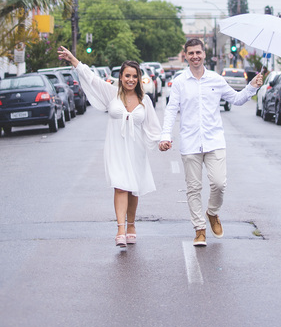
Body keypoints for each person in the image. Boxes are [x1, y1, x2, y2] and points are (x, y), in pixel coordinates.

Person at [159, 38, 264, 247]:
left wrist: (252, 87)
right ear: (186, 56)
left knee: (219, 183)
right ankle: (199, 229)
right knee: (193, 188)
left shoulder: (216, 79)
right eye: (191, 53)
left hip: (214, 141)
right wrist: (165, 136)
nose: (195, 56)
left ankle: (213, 212)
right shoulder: (180, 82)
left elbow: (236, 99)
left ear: (204, 54)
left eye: (198, 52)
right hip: (190, 143)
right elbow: (171, 110)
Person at [58, 45, 163, 248]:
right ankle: (120, 229)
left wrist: (162, 142)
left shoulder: (145, 100)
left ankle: (131, 225)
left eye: (134, 76)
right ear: (121, 77)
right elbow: (92, 79)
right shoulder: (111, 94)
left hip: (136, 151)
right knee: (121, 186)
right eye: (127, 76)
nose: (130, 80)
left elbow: (153, 128)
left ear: (139, 78)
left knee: (133, 189)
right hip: (116, 149)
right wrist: (74, 61)